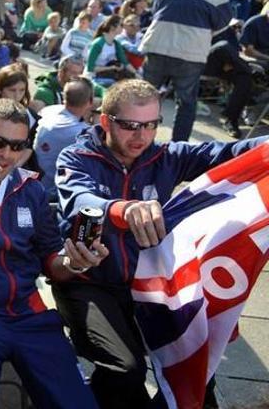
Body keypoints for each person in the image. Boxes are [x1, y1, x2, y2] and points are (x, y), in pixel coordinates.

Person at [53, 79, 267, 409]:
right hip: (89, 282)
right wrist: (124, 210)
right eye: (130, 126)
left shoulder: (166, 157)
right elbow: (80, 201)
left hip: (151, 285)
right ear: (105, 121)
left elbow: (229, 153)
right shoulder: (77, 157)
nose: (141, 136)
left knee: (197, 369)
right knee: (125, 371)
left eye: (152, 125)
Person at [0, 98, 105, 409]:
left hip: (28, 313)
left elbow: (51, 261)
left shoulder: (32, 190)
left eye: (17, 146)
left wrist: (75, 262)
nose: (6, 154)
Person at [140, 0, 231, 142]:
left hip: (157, 45)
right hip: (190, 53)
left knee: (143, 98)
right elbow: (222, 23)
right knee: (186, 103)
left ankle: (138, 139)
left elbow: (155, 11)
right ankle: (178, 147)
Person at [34, 77, 93, 195]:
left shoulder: (47, 111)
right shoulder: (84, 134)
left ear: (64, 97)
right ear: (90, 102)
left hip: (35, 182)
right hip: (54, 192)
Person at [87, 15, 136, 87]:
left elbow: (125, 62)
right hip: (93, 78)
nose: (123, 27)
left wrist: (137, 75)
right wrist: (111, 67)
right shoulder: (98, 44)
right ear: (112, 27)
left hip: (107, 76)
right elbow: (90, 68)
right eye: (121, 25)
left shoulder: (116, 44)